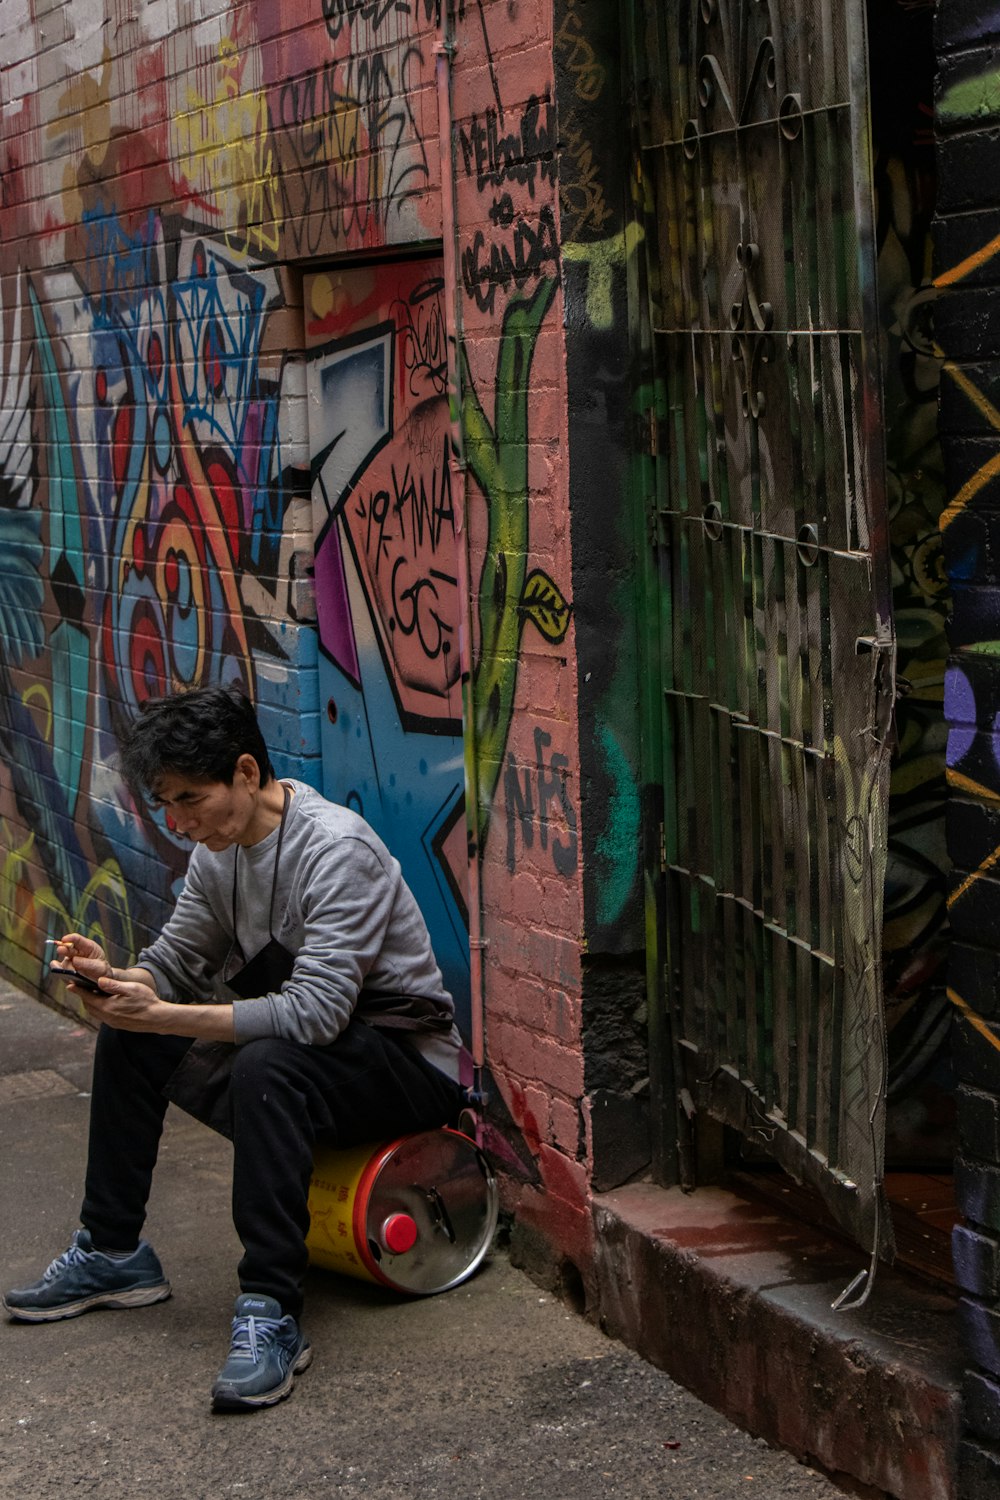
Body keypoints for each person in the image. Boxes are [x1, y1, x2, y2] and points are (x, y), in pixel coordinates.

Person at [3, 686, 463, 1411]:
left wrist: (167, 1014)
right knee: (136, 1034)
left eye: (192, 800)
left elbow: (315, 1015)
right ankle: (113, 1251)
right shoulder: (222, 854)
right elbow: (178, 959)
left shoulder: (335, 849)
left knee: (265, 1060)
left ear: (246, 774)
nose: (181, 824)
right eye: (168, 807)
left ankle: (270, 1309)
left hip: (405, 1068)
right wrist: (119, 981)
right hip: (321, 1062)